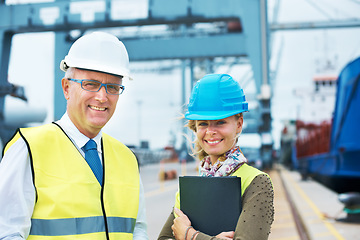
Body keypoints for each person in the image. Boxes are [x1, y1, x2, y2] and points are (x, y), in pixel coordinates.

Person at [0, 32, 148, 240]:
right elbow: (7, 233)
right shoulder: (29, 149)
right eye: (91, 84)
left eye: (112, 87)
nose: (102, 97)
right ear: (67, 87)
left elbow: (137, 229)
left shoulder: (127, 159)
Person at [158, 74, 274, 240]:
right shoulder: (190, 187)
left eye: (220, 122)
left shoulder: (257, 182)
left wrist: (190, 235)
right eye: (203, 123)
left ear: (239, 124)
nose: (210, 131)